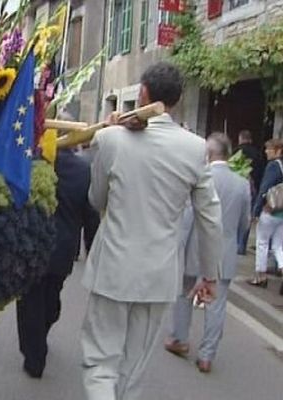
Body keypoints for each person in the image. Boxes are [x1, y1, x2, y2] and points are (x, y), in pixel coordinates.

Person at [80, 62, 222, 400]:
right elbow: (210, 217)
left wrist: (111, 138)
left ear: (143, 93)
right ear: (176, 100)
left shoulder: (110, 138)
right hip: (158, 274)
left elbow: (95, 198)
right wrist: (210, 275)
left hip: (113, 267)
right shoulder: (195, 148)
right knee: (134, 368)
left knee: (101, 363)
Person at [16, 117, 99, 378]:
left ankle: (33, 353)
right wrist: (93, 249)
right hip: (63, 250)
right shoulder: (84, 170)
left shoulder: (31, 162)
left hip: (30, 245)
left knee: (30, 302)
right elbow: (91, 215)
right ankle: (39, 339)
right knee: (51, 299)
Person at [165, 133, 251, 373]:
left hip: (196, 247)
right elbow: (245, 222)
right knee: (217, 303)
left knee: (184, 294)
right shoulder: (242, 184)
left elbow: (187, 217)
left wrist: (178, 246)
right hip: (224, 252)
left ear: (209, 154)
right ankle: (206, 355)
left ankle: (179, 339)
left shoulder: (198, 178)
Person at [248, 138, 283, 287]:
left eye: (269, 149)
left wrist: (255, 210)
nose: (266, 151)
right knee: (278, 245)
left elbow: (264, 188)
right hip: (281, 213)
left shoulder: (273, 166)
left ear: (277, 151)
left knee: (262, 242)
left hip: (269, 210)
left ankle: (260, 276)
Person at [235, 129, 264, 254]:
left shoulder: (237, 151)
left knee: (235, 214)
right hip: (252, 189)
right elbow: (260, 172)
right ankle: (242, 246)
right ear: (250, 139)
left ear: (240, 138)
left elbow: (232, 168)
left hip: (237, 186)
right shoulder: (258, 153)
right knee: (247, 216)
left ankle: (235, 244)